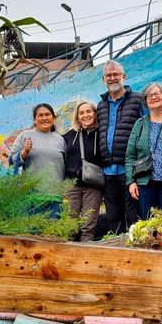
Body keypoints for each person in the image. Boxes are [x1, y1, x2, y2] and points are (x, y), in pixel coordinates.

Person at [97, 60, 145, 234]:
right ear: (104, 79)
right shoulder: (101, 106)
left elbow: (148, 128)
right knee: (113, 217)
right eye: (108, 75)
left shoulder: (138, 100)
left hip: (130, 170)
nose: (112, 78)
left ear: (123, 76)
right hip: (108, 171)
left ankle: (136, 250)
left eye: (115, 74)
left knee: (134, 215)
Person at [125, 83, 162, 220]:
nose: (153, 97)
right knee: (148, 224)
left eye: (157, 94)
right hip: (146, 182)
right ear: (145, 101)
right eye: (149, 95)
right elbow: (130, 155)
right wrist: (131, 181)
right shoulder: (140, 124)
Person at [9, 103, 66, 217]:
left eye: (47, 115)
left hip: (55, 197)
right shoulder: (25, 136)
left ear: (53, 118)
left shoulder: (61, 140)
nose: (44, 118)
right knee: (30, 233)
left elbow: (64, 166)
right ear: (35, 119)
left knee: (53, 233)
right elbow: (11, 161)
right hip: (31, 197)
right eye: (40, 115)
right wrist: (24, 152)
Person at [63, 101, 103, 242]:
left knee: (88, 225)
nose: (85, 115)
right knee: (70, 226)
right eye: (81, 113)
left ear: (94, 114)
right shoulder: (68, 136)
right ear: (77, 117)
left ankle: (86, 256)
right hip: (72, 186)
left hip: (93, 186)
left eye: (88, 111)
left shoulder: (101, 135)